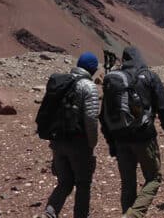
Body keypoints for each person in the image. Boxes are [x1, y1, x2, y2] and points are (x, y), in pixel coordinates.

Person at [100, 46, 164, 218]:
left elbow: (103, 115)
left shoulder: (114, 81)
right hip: (143, 136)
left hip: (119, 138)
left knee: (128, 183)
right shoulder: (148, 76)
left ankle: (127, 213)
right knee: (154, 178)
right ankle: (133, 215)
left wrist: (111, 143)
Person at [41, 52, 100, 218]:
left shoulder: (62, 83)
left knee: (64, 182)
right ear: (92, 69)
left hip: (57, 141)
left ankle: (49, 213)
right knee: (83, 184)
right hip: (78, 143)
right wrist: (92, 144)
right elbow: (91, 119)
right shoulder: (88, 87)